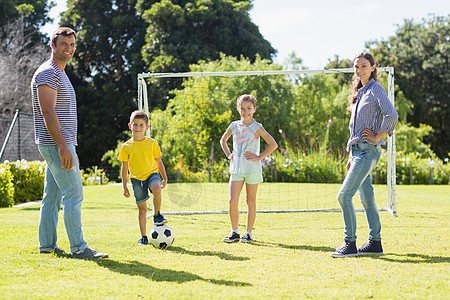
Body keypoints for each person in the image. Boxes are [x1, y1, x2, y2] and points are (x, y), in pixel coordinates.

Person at [31, 27, 108, 259]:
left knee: (52, 197)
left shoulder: (59, 72)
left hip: (60, 143)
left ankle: (46, 245)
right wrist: (64, 147)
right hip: (55, 144)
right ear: (53, 45)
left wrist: (69, 145)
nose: (69, 49)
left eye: (72, 45)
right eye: (64, 44)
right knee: (74, 194)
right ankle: (79, 247)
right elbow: (47, 111)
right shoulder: (48, 73)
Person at [331, 51, 398, 258]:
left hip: (368, 151)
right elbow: (355, 128)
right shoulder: (360, 92)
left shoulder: (376, 89)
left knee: (343, 196)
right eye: (356, 67)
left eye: (363, 66)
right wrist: (351, 156)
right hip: (357, 152)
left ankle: (349, 243)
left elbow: (392, 115)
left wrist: (379, 136)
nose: (359, 70)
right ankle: (375, 243)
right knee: (367, 199)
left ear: (373, 67)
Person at [220, 95, 278, 243]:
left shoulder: (257, 127)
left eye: (249, 108)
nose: (246, 111)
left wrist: (259, 157)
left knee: (250, 200)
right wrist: (228, 154)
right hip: (236, 170)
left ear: (254, 109)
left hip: (252, 170)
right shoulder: (234, 125)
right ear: (238, 109)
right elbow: (223, 140)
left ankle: (248, 233)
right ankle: (234, 232)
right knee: (232, 201)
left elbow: (273, 144)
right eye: (242, 108)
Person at [119, 110, 168, 246]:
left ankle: (157, 215)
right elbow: (124, 168)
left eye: (141, 125)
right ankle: (144, 236)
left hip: (152, 174)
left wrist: (164, 177)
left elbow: (159, 162)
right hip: (136, 180)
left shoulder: (152, 143)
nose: (138, 128)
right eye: (135, 125)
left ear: (146, 128)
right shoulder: (126, 147)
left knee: (157, 189)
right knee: (142, 209)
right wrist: (124, 186)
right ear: (130, 126)